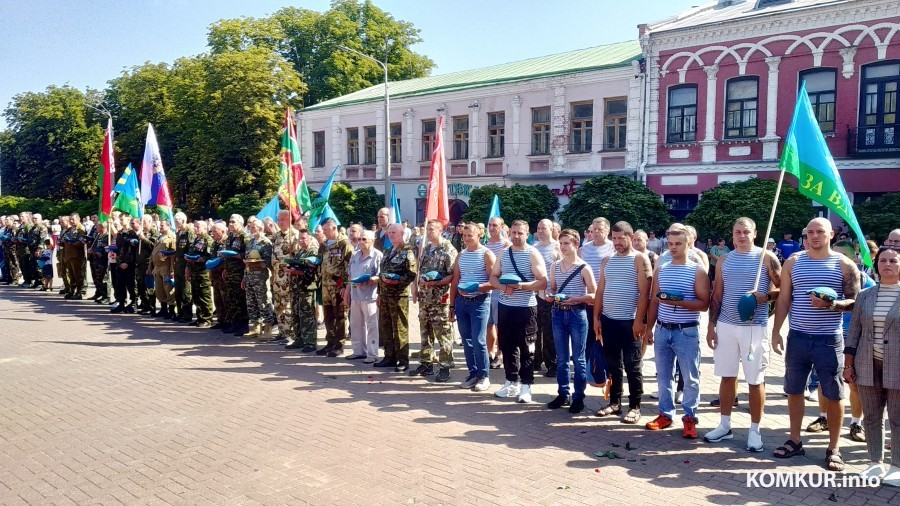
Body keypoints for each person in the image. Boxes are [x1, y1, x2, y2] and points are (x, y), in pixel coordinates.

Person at [772, 218, 860, 471]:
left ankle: (834, 448)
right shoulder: (794, 262)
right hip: (797, 337)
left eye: (819, 231)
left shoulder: (844, 265)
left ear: (831, 234)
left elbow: (854, 302)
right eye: (809, 232)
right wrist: (777, 331)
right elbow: (785, 299)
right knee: (794, 390)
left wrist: (832, 305)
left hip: (829, 339)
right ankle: (795, 440)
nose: (814, 236)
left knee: (833, 393)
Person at [704, 218, 781, 452]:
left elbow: (782, 289)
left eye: (746, 232)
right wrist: (710, 326)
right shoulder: (724, 260)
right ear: (732, 234)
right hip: (726, 326)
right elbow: (717, 294)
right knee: (727, 377)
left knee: (755, 380)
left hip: (754, 327)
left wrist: (765, 297)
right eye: (737, 232)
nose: (741, 236)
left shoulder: (766, 258)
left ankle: (755, 430)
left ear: (755, 233)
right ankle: (725, 424)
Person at [645, 224, 711, 438]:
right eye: (670, 244)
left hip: (686, 332)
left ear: (688, 244)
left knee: (690, 378)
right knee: (664, 376)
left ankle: (690, 418)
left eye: (678, 244)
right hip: (663, 329)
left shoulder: (697, 270)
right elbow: (655, 301)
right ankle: (665, 414)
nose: (673, 248)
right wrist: (649, 328)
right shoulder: (662, 270)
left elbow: (704, 304)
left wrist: (680, 301)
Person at [844, 245, 900, 485]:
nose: (887, 265)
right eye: (883, 260)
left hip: (897, 365)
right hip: (867, 363)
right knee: (871, 416)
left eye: (893, 261)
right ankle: (875, 462)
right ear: (876, 265)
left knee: (897, 418)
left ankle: (896, 465)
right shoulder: (865, 295)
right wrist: (848, 365)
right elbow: (854, 331)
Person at [594, 221, 652, 423]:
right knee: (613, 364)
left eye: (621, 238)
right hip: (608, 321)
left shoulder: (639, 259)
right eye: (615, 238)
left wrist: (640, 321)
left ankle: (635, 406)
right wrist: (596, 318)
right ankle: (615, 402)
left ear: (630, 237)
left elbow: (645, 294)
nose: (617, 242)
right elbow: (600, 291)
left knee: (632, 365)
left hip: (630, 322)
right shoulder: (607, 260)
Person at [490, 220, 548, 403]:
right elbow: (493, 276)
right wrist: (501, 287)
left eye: (520, 233)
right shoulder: (504, 253)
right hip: (505, 307)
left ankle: (526, 385)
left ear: (527, 234)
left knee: (527, 347)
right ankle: (511, 381)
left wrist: (520, 286)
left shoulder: (533, 253)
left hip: (526, 308)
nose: (516, 236)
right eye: (513, 232)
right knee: (507, 346)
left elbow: (543, 282)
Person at [546, 229, 596, 414]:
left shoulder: (584, 267)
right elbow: (552, 288)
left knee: (579, 358)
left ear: (576, 244)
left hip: (577, 314)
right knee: (561, 358)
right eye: (561, 243)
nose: (563, 246)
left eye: (567, 243)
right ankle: (563, 393)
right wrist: (550, 296)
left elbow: (594, 293)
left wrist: (575, 298)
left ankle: (579, 397)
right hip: (558, 313)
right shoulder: (554, 266)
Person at [832, 240, 877, 442]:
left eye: (842, 256)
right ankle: (824, 418)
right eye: (834, 255)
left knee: (854, 383)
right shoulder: (826, 276)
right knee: (829, 380)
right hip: (830, 334)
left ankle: (856, 423)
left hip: (854, 336)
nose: (837, 260)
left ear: (852, 258)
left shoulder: (866, 282)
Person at [449, 222, 495, 392]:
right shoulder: (460, 255)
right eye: (465, 235)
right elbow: (455, 281)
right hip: (462, 302)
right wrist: (452, 305)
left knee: (479, 340)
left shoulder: (487, 254)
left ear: (479, 235)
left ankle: (484, 376)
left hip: (480, 302)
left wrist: (478, 287)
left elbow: (494, 281)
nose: (467, 238)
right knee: (466, 340)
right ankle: (472, 373)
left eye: (471, 235)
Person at [411, 220, 457, 381]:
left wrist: (435, 283)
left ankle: (445, 366)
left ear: (440, 230)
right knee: (425, 331)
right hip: (425, 298)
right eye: (426, 230)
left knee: (443, 333)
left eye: (431, 230)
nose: (428, 233)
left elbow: (453, 275)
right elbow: (419, 270)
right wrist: (415, 287)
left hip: (440, 299)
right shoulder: (426, 248)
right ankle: (426, 363)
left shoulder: (448, 249)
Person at [376, 223, 417, 371]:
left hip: (399, 296)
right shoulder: (387, 251)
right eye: (390, 232)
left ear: (402, 234)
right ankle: (389, 357)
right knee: (385, 327)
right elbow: (381, 274)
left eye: (394, 232)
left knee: (400, 328)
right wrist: (379, 293)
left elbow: (411, 274)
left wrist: (397, 281)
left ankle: (402, 360)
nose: (391, 235)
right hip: (385, 295)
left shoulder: (407, 252)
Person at [345, 229, 382, 362]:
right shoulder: (355, 255)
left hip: (370, 296)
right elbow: (350, 274)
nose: (360, 242)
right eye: (360, 239)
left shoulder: (377, 255)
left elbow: (380, 276)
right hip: (355, 295)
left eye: (364, 239)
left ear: (372, 241)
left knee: (371, 325)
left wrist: (369, 280)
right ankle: (358, 351)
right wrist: (347, 292)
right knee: (355, 324)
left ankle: (372, 354)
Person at [318, 218, 353, 356]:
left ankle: (339, 344)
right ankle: (330, 342)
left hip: (338, 286)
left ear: (334, 228)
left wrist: (345, 286)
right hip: (326, 286)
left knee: (340, 315)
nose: (324, 233)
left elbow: (349, 267)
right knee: (328, 315)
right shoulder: (324, 245)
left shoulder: (344, 244)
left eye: (326, 230)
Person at [533, 219, 561, 377]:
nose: (541, 231)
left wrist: (554, 291)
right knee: (534, 331)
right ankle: (536, 360)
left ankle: (552, 364)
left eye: (544, 228)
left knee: (550, 332)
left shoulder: (557, 247)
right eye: (538, 228)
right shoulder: (534, 248)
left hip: (551, 296)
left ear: (552, 229)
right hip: (535, 295)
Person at [286, 228, 321, 352]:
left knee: (307, 315)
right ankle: (299, 339)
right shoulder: (300, 252)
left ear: (310, 238)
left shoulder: (313, 251)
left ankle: (310, 342)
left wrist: (298, 271)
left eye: (303, 238)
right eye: (299, 238)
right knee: (296, 313)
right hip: (297, 288)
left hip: (307, 287)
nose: (300, 241)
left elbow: (313, 270)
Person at [243, 218, 275, 339]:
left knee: (264, 302)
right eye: (250, 227)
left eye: (253, 227)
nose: (250, 229)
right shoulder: (250, 242)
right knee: (251, 303)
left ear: (260, 228)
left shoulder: (265, 243)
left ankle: (268, 327)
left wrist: (257, 263)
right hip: (249, 276)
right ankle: (256, 326)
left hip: (260, 278)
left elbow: (268, 261)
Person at [485, 217, 510, 369]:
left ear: (502, 227)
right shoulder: (485, 245)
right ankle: (489, 353)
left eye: (495, 225)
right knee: (488, 325)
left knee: (500, 325)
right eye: (490, 225)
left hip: (499, 291)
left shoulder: (506, 245)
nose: (492, 228)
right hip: (486, 291)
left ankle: (500, 354)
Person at [272, 211, 300, 343]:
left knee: (288, 305)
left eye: (283, 219)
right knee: (278, 305)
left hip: (289, 277)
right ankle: (282, 331)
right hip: (277, 277)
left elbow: (297, 257)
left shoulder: (295, 235)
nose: (280, 222)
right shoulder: (276, 236)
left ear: (290, 220)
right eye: (279, 219)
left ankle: (290, 334)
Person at [222, 214, 250, 336]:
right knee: (231, 298)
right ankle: (234, 323)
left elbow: (248, 254)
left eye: (233, 222)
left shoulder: (245, 236)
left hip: (239, 272)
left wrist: (236, 255)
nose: (230, 224)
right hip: (230, 272)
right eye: (230, 222)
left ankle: (243, 325)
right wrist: (225, 269)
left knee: (240, 299)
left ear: (240, 223)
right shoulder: (230, 237)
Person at [186, 220, 215, 328]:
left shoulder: (208, 240)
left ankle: (207, 319)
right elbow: (191, 254)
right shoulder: (195, 240)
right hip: (194, 271)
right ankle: (199, 317)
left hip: (203, 272)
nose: (196, 228)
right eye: (195, 227)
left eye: (198, 227)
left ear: (204, 228)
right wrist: (188, 268)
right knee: (196, 295)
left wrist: (199, 259)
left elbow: (210, 256)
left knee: (204, 296)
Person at [150, 219, 177, 319]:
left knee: (168, 288)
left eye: (162, 226)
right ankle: (163, 308)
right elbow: (153, 253)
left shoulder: (172, 237)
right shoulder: (159, 237)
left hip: (166, 266)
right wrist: (150, 267)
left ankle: (171, 310)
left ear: (168, 226)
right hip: (157, 266)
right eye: (160, 226)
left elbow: (173, 255)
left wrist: (172, 270)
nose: (160, 227)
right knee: (159, 289)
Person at [173, 212, 196, 323]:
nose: (176, 223)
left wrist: (188, 266)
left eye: (177, 221)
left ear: (183, 220)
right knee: (178, 291)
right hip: (178, 264)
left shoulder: (189, 232)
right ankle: (180, 312)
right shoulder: (179, 232)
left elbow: (190, 250)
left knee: (186, 291)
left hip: (185, 264)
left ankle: (187, 314)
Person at [135, 215, 158, 315]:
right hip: (140, 263)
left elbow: (154, 246)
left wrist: (144, 239)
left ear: (150, 222)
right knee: (141, 285)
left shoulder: (154, 233)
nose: (143, 223)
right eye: (141, 221)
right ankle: (144, 305)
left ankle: (151, 307)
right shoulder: (140, 232)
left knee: (149, 286)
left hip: (148, 263)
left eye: (145, 221)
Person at [61, 214, 87, 300]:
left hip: (77, 256)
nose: (71, 221)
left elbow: (80, 243)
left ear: (78, 219)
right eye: (70, 219)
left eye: (73, 219)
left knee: (78, 274)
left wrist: (71, 241)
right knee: (71, 274)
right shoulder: (69, 230)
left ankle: (79, 291)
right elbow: (63, 239)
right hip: (68, 255)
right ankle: (72, 290)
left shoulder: (81, 230)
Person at [208, 221, 229, 329]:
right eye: (212, 231)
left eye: (214, 231)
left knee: (225, 298)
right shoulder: (214, 243)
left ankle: (227, 321)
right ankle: (220, 320)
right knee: (217, 298)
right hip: (215, 275)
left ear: (222, 231)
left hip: (223, 275)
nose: (212, 234)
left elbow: (227, 259)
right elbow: (212, 257)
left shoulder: (227, 242)